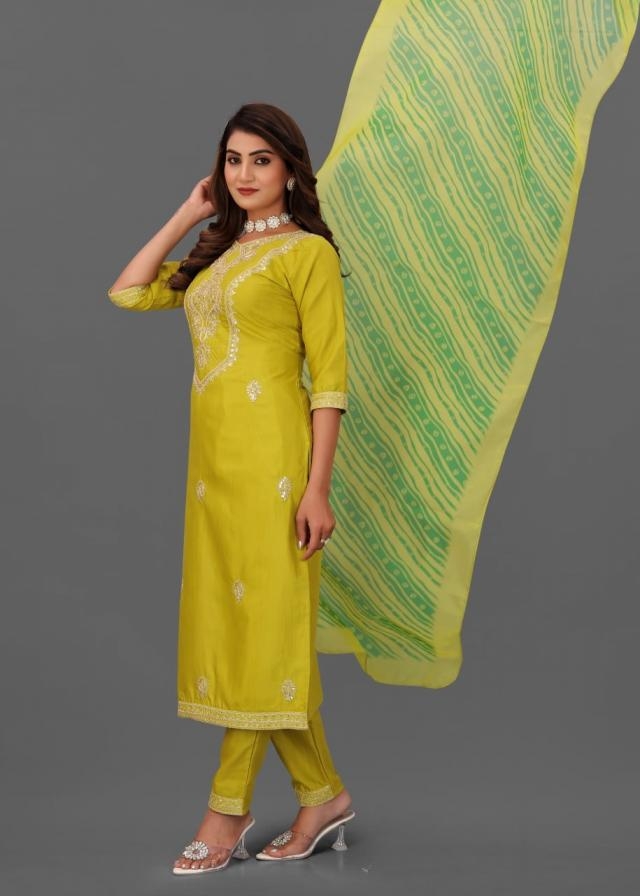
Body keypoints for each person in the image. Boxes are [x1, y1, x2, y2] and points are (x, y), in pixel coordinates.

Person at [107, 102, 355, 873]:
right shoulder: (215, 257)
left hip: (277, 465)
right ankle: (324, 796)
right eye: (233, 159)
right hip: (214, 473)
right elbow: (129, 290)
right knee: (254, 632)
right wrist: (190, 213)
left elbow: (330, 383)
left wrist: (316, 489)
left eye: (261, 160)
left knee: (264, 631)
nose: (245, 174)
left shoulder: (307, 254)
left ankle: (226, 810)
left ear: (290, 170)